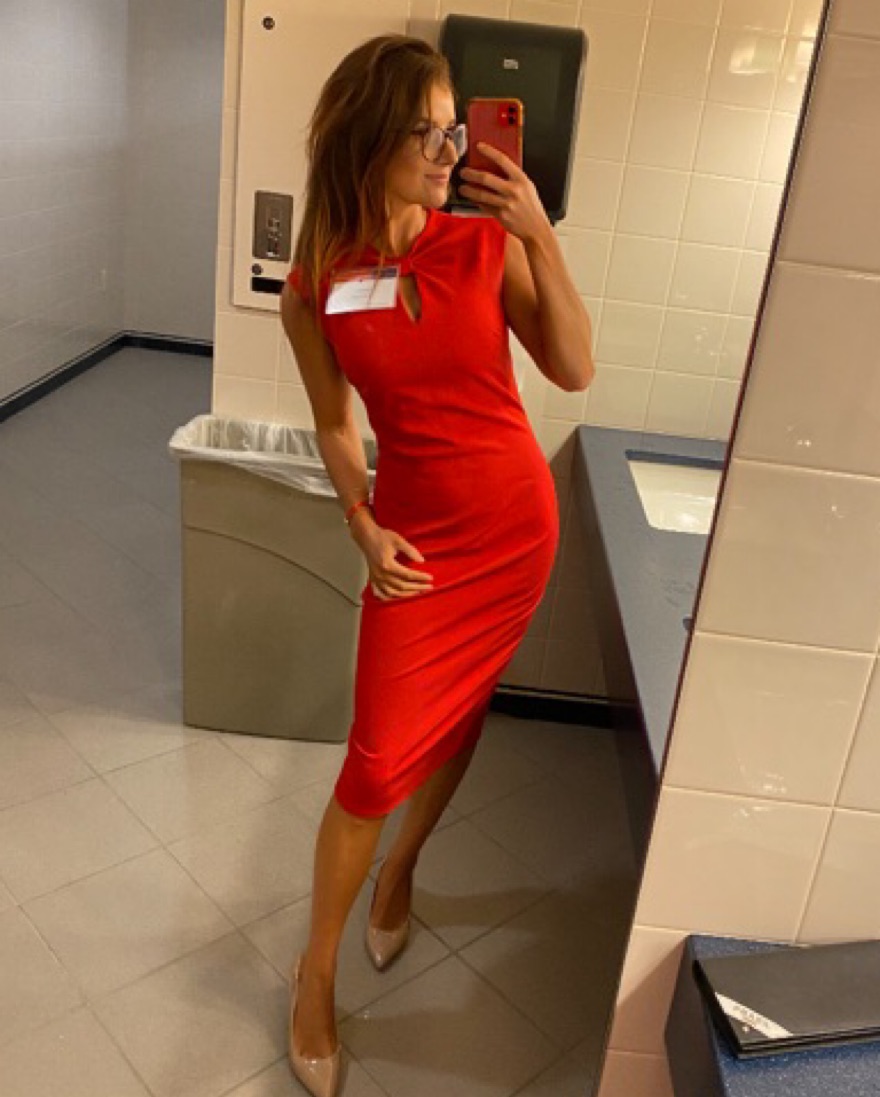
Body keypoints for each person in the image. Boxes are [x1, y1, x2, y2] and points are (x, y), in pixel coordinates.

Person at [280, 33, 593, 1097]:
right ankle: (315, 976)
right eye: (429, 130)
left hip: (513, 534)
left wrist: (538, 233)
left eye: (457, 128)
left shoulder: (481, 244)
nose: (452, 149)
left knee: (458, 722)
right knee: (374, 763)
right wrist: (359, 522)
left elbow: (573, 366)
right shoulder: (316, 283)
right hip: (413, 549)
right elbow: (335, 423)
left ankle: (402, 870)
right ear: (369, 137)